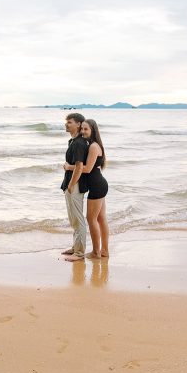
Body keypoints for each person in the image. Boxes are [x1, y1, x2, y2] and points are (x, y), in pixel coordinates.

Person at [64, 118, 109, 260]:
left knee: (92, 219)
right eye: (82, 129)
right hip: (100, 184)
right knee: (101, 219)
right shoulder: (94, 144)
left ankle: (96, 252)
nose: (83, 132)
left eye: (86, 129)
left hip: (96, 186)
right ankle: (104, 251)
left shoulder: (93, 146)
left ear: (93, 130)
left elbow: (87, 169)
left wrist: (68, 166)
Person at [59, 112, 90, 261]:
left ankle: (79, 253)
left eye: (69, 122)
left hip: (75, 184)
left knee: (78, 218)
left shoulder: (78, 143)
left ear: (78, 124)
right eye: (66, 122)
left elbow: (79, 167)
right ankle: (75, 247)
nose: (66, 124)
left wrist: (71, 185)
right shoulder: (72, 141)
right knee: (73, 218)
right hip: (71, 183)